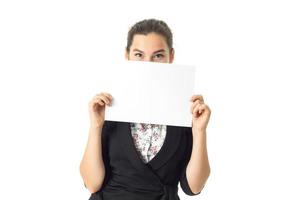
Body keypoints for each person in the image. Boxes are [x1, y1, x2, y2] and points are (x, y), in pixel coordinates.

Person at [80, 19, 211, 200]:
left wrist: (199, 131)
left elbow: (193, 188)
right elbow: (92, 183)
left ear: (170, 56)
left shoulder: (185, 111)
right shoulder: (110, 107)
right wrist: (96, 126)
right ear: (127, 55)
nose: (148, 64)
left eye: (158, 55)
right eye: (139, 55)